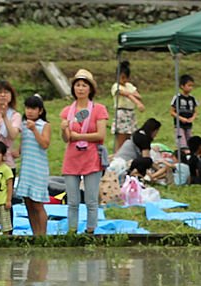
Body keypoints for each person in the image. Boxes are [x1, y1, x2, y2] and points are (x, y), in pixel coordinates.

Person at [61, 69, 109, 235]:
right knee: (72, 201)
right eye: (78, 85)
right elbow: (67, 139)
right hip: (72, 158)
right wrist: (64, 130)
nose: (80, 89)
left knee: (91, 200)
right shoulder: (68, 111)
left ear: (90, 89)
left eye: (84, 85)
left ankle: (90, 231)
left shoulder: (99, 109)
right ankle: (72, 232)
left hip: (91, 158)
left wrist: (79, 136)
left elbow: (101, 135)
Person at [19, 94, 51, 237]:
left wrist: (34, 130)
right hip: (26, 169)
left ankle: (42, 235)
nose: (30, 111)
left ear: (40, 111)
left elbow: (45, 144)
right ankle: (34, 234)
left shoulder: (45, 125)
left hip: (38, 170)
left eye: (33, 108)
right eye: (27, 108)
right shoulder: (23, 124)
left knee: (38, 204)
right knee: (28, 203)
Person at [111, 61, 145, 151]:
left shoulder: (129, 86)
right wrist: (137, 103)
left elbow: (138, 95)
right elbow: (127, 95)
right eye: (122, 77)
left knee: (130, 137)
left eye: (126, 78)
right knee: (121, 138)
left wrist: (134, 96)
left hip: (130, 113)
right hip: (121, 113)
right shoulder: (116, 86)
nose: (124, 80)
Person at [170, 74, 197, 151]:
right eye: (189, 85)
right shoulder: (177, 98)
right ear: (182, 86)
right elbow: (172, 112)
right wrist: (181, 118)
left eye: (192, 86)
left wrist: (192, 118)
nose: (191, 88)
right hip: (179, 125)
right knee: (182, 143)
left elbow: (195, 111)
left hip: (189, 125)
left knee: (190, 142)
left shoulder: (192, 98)